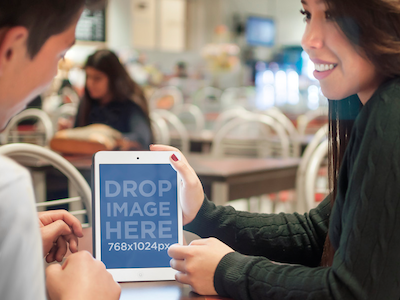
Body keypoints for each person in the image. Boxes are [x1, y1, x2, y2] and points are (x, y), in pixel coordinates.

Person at [151, 0, 400, 298]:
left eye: (334, 16)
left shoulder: (391, 109)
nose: (308, 40)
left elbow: (352, 291)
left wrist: (227, 272)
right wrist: (202, 214)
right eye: (308, 15)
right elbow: (317, 233)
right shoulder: (374, 107)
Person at [0, 1, 120, 299]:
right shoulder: (7, 186)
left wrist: (16, 244)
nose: (54, 73)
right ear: (11, 48)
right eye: (60, 54)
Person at [74, 49, 153, 150]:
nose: (90, 83)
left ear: (113, 79)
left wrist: (110, 137)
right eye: (88, 76)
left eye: (97, 78)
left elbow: (142, 138)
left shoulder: (130, 104)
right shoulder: (87, 102)